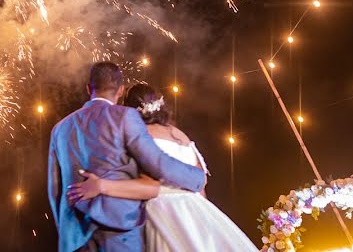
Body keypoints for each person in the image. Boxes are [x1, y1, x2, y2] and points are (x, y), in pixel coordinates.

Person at [67, 83, 257, 251]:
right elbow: (201, 183)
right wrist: (205, 219)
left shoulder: (138, 136)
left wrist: (101, 185)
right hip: (195, 208)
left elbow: (146, 184)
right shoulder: (179, 134)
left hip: (161, 211)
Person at [48, 63, 207, 252]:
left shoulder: (60, 128)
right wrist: (197, 177)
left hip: (75, 236)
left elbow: (55, 190)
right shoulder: (125, 117)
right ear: (121, 90)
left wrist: (67, 232)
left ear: (89, 88)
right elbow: (159, 163)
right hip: (119, 232)